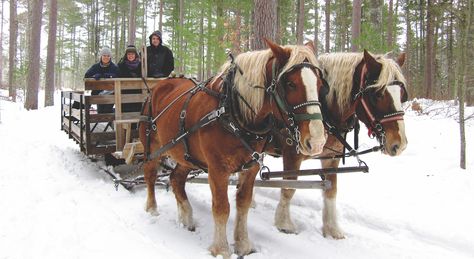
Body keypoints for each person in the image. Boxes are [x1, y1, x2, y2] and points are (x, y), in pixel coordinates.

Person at [84, 47, 118, 113]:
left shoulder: (114, 67)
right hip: (98, 93)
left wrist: (108, 76)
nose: (106, 57)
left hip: (111, 93)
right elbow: (86, 75)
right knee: (100, 112)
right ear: (101, 56)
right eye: (104, 55)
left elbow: (118, 75)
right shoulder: (96, 67)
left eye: (108, 56)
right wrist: (94, 76)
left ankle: (115, 114)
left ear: (110, 57)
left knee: (106, 111)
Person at [117, 45, 142, 113]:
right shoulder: (121, 65)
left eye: (132, 54)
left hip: (138, 94)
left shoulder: (141, 65)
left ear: (135, 55)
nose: (130, 56)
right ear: (126, 55)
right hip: (125, 94)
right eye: (129, 54)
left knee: (138, 113)